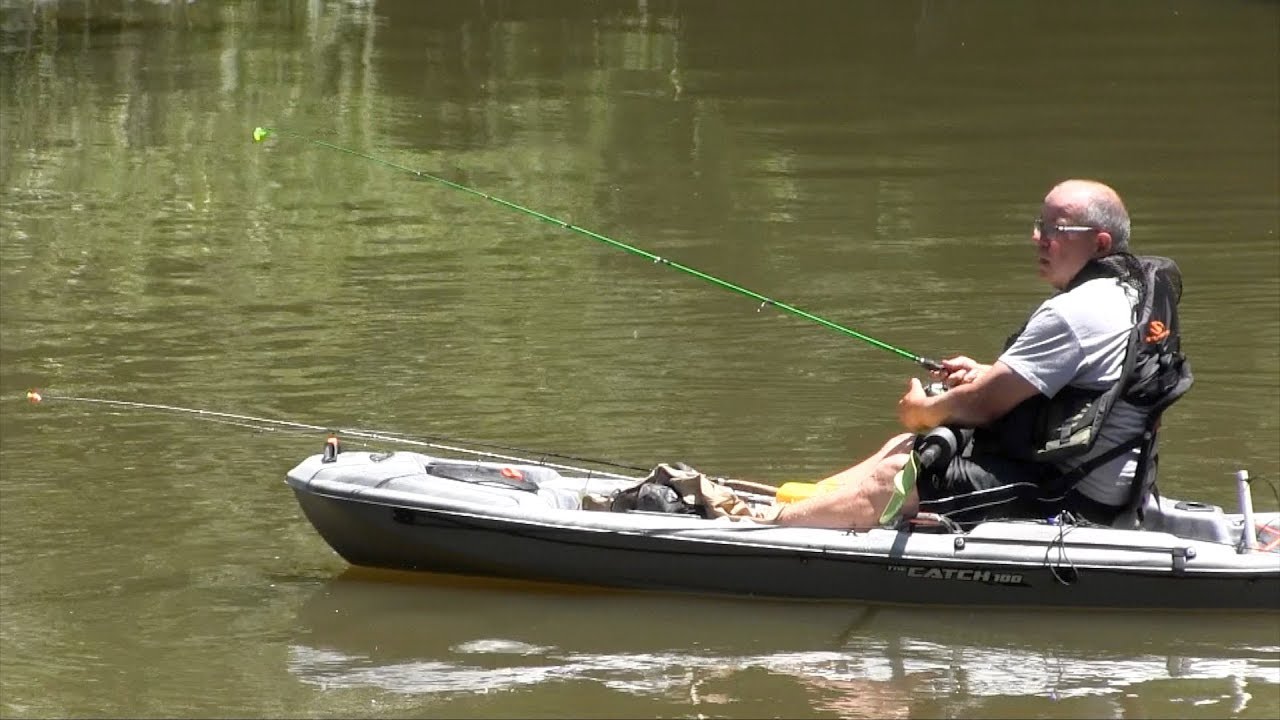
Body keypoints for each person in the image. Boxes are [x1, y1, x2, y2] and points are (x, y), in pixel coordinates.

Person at [775, 179, 1181, 529]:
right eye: (1040, 225)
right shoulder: (1132, 291)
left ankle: (764, 529)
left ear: (1100, 243)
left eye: (1056, 229)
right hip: (1106, 485)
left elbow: (981, 406)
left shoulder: (1075, 311)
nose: (1038, 239)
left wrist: (921, 411)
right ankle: (800, 504)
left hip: (1071, 497)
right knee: (910, 445)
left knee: (898, 476)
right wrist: (987, 372)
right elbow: (1089, 382)